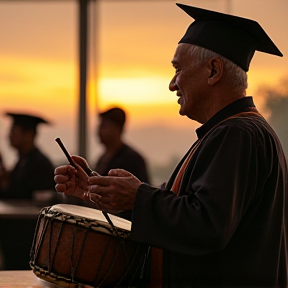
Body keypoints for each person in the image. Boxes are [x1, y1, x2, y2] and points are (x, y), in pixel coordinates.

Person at [54, 4, 287, 288]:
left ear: (213, 71)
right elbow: (182, 209)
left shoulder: (238, 133)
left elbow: (207, 226)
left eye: (177, 69)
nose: (172, 84)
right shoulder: (232, 131)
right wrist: (99, 191)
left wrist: (138, 196)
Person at [0, 112, 56, 200]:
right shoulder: (23, 161)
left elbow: (22, 196)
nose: (9, 136)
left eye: (14, 131)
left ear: (28, 134)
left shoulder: (39, 164)